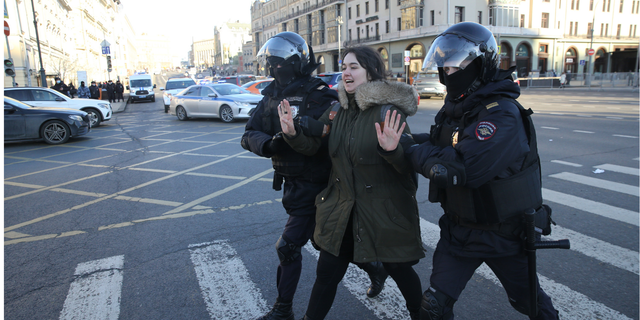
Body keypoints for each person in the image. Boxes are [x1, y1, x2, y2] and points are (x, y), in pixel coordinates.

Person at [385, 22, 559, 319]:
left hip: (503, 235)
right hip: (460, 231)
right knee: (433, 308)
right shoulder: (458, 107)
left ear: (479, 64)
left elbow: (460, 167)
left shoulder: (501, 113)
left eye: (453, 68)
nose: (446, 75)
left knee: (532, 306)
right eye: (444, 69)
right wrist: (400, 140)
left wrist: (410, 151)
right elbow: (440, 143)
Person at [241, 32, 388, 320]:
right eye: (270, 62)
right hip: (293, 185)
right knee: (331, 244)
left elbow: (330, 139)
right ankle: (376, 267)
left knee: (288, 246)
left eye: (276, 62)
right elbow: (248, 134)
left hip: (320, 184)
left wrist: (296, 134)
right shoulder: (271, 96)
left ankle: (283, 310)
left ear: (292, 62)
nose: (272, 67)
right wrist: (269, 145)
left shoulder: (320, 95)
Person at [278, 45, 425, 320]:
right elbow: (314, 147)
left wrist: (393, 150)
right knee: (326, 274)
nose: (346, 72)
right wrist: (292, 132)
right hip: (343, 210)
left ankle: (421, 314)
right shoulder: (337, 111)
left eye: (353, 67)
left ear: (371, 73)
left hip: (383, 213)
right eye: (344, 67)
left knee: (400, 270)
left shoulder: (387, 112)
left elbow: (407, 164)